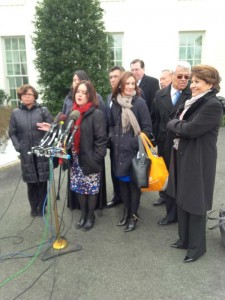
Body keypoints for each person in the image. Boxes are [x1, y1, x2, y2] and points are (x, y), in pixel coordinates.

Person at [167, 65, 223, 262]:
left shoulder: (212, 105)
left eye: (197, 81)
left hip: (199, 160)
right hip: (183, 156)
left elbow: (190, 130)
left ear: (210, 84)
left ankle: (196, 248)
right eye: (193, 81)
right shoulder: (192, 101)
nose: (192, 85)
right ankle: (184, 239)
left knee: (196, 203)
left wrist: (177, 126)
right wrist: (178, 126)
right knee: (182, 199)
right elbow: (174, 121)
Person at [109, 71, 152, 232]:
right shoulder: (115, 103)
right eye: (127, 83)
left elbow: (148, 129)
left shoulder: (139, 103)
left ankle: (134, 216)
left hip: (134, 153)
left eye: (133, 84)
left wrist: (132, 142)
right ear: (121, 85)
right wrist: (113, 137)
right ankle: (126, 213)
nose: (130, 87)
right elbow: (111, 124)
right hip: (118, 152)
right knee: (123, 186)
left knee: (134, 187)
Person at [151, 61, 191, 219]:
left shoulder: (192, 94)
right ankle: (169, 210)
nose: (183, 79)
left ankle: (178, 212)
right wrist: (158, 136)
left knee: (180, 179)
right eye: (180, 76)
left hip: (183, 144)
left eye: (186, 77)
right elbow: (155, 118)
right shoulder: (160, 94)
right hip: (164, 142)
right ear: (173, 76)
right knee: (167, 175)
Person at [9, 84, 53, 217]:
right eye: (24, 95)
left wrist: (47, 144)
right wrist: (18, 147)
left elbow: (52, 129)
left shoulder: (43, 111)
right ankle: (34, 207)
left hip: (41, 151)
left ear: (34, 96)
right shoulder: (16, 113)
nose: (27, 97)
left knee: (42, 182)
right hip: (26, 153)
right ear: (20, 97)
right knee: (31, 183)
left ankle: (42, 207)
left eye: (29, 94)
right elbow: (12, 133)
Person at [70, 80, 108, 231]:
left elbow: (101, 139)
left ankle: (90, 216)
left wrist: (96, 158)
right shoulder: (73, 112)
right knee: (79, 188)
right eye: (78, 91)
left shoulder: (96, 114)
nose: (80, 95)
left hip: (91, 158)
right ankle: (83, 214)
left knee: (91, 189)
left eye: (84, 92)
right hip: (75, 158)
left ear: (90, 96)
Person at [106, 65, 125, 208]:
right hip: (114, 142)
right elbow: (109, 121)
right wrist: (110, 136)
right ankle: (117, 195)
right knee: (114, 170)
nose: (113, 80)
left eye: (116, 76)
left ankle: (128, 199)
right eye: (111, 77)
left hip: (128, 143)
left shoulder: (135, 95)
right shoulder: (109, 97)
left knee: (128, 173)